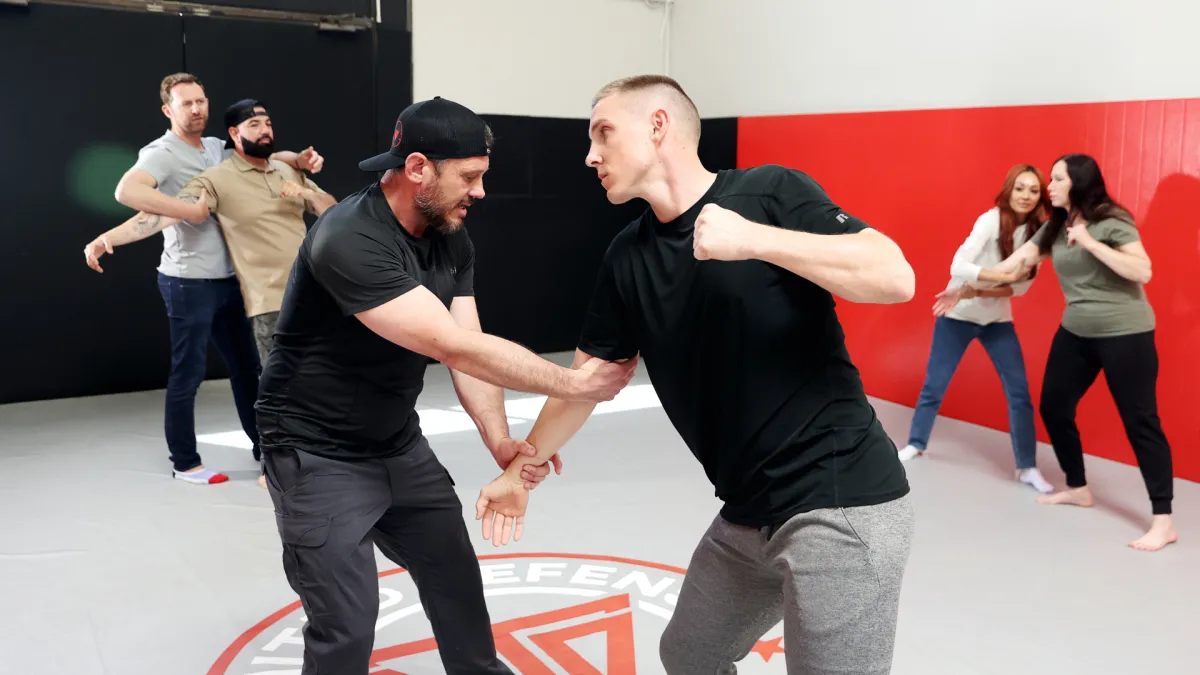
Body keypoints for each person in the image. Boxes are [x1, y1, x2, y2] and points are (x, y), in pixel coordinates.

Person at [474, 75, 916, 675]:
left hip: (840, 500)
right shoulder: (628, 255)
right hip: (748, 511)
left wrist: (754, 240)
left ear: (658, 126)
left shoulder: (768, 192)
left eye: (604, 133)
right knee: (689, 656)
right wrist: (519, 472)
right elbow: (587, 382)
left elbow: (894, 277)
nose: (590, 155)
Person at [253, 96, 639, 674]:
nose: (480, 191)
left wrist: (500, 440)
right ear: (417, 169)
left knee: (455, 577)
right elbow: (450, 346)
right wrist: (576, 384)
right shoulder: (349, 237)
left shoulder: (449, 235)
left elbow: (468, 345)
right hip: (315, 452)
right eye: (470, 176)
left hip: (397, 442)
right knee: (346, 625)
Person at [84, 72, 324, 485]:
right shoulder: (161, 153)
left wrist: (298, 161)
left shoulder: (214, 147)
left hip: (229, 278)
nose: (196, 109)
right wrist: (183, 214)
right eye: (186, 103)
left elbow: (259, 152)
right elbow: (128, 194)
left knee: (247, 369)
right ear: (168, 110)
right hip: (188, 281)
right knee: (189, 372)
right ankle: (185, 462)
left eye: (201, 101)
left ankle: (265, 450)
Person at [979, 153, 1177, 552]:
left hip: (1126, 333)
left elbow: (1142, 271)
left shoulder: (1112, 220)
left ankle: (1163, 521)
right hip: (1077, 332)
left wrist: (1089, 242)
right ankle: (1078, 488)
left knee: (1141, 422)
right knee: (1054, 406)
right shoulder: (1055, 224)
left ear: (1079, 183)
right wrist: (966, 280)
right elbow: (1015, 266)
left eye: (1056, 179)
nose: (1048, 187)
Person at [897, 164, 1055, 493]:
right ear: (1009, 190)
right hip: (957, 314)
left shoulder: (1039, 235)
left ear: (1040, 197)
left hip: (996, 321)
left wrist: (978, 289)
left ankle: (1026, 467)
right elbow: (958, 265)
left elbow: (1019, 288)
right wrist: (999, 276)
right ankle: (916, 443)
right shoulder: (990, 220)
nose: (1026, 196)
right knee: (934, 385)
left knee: (1020, 395)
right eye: (1020, 188)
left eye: (1033, 191)